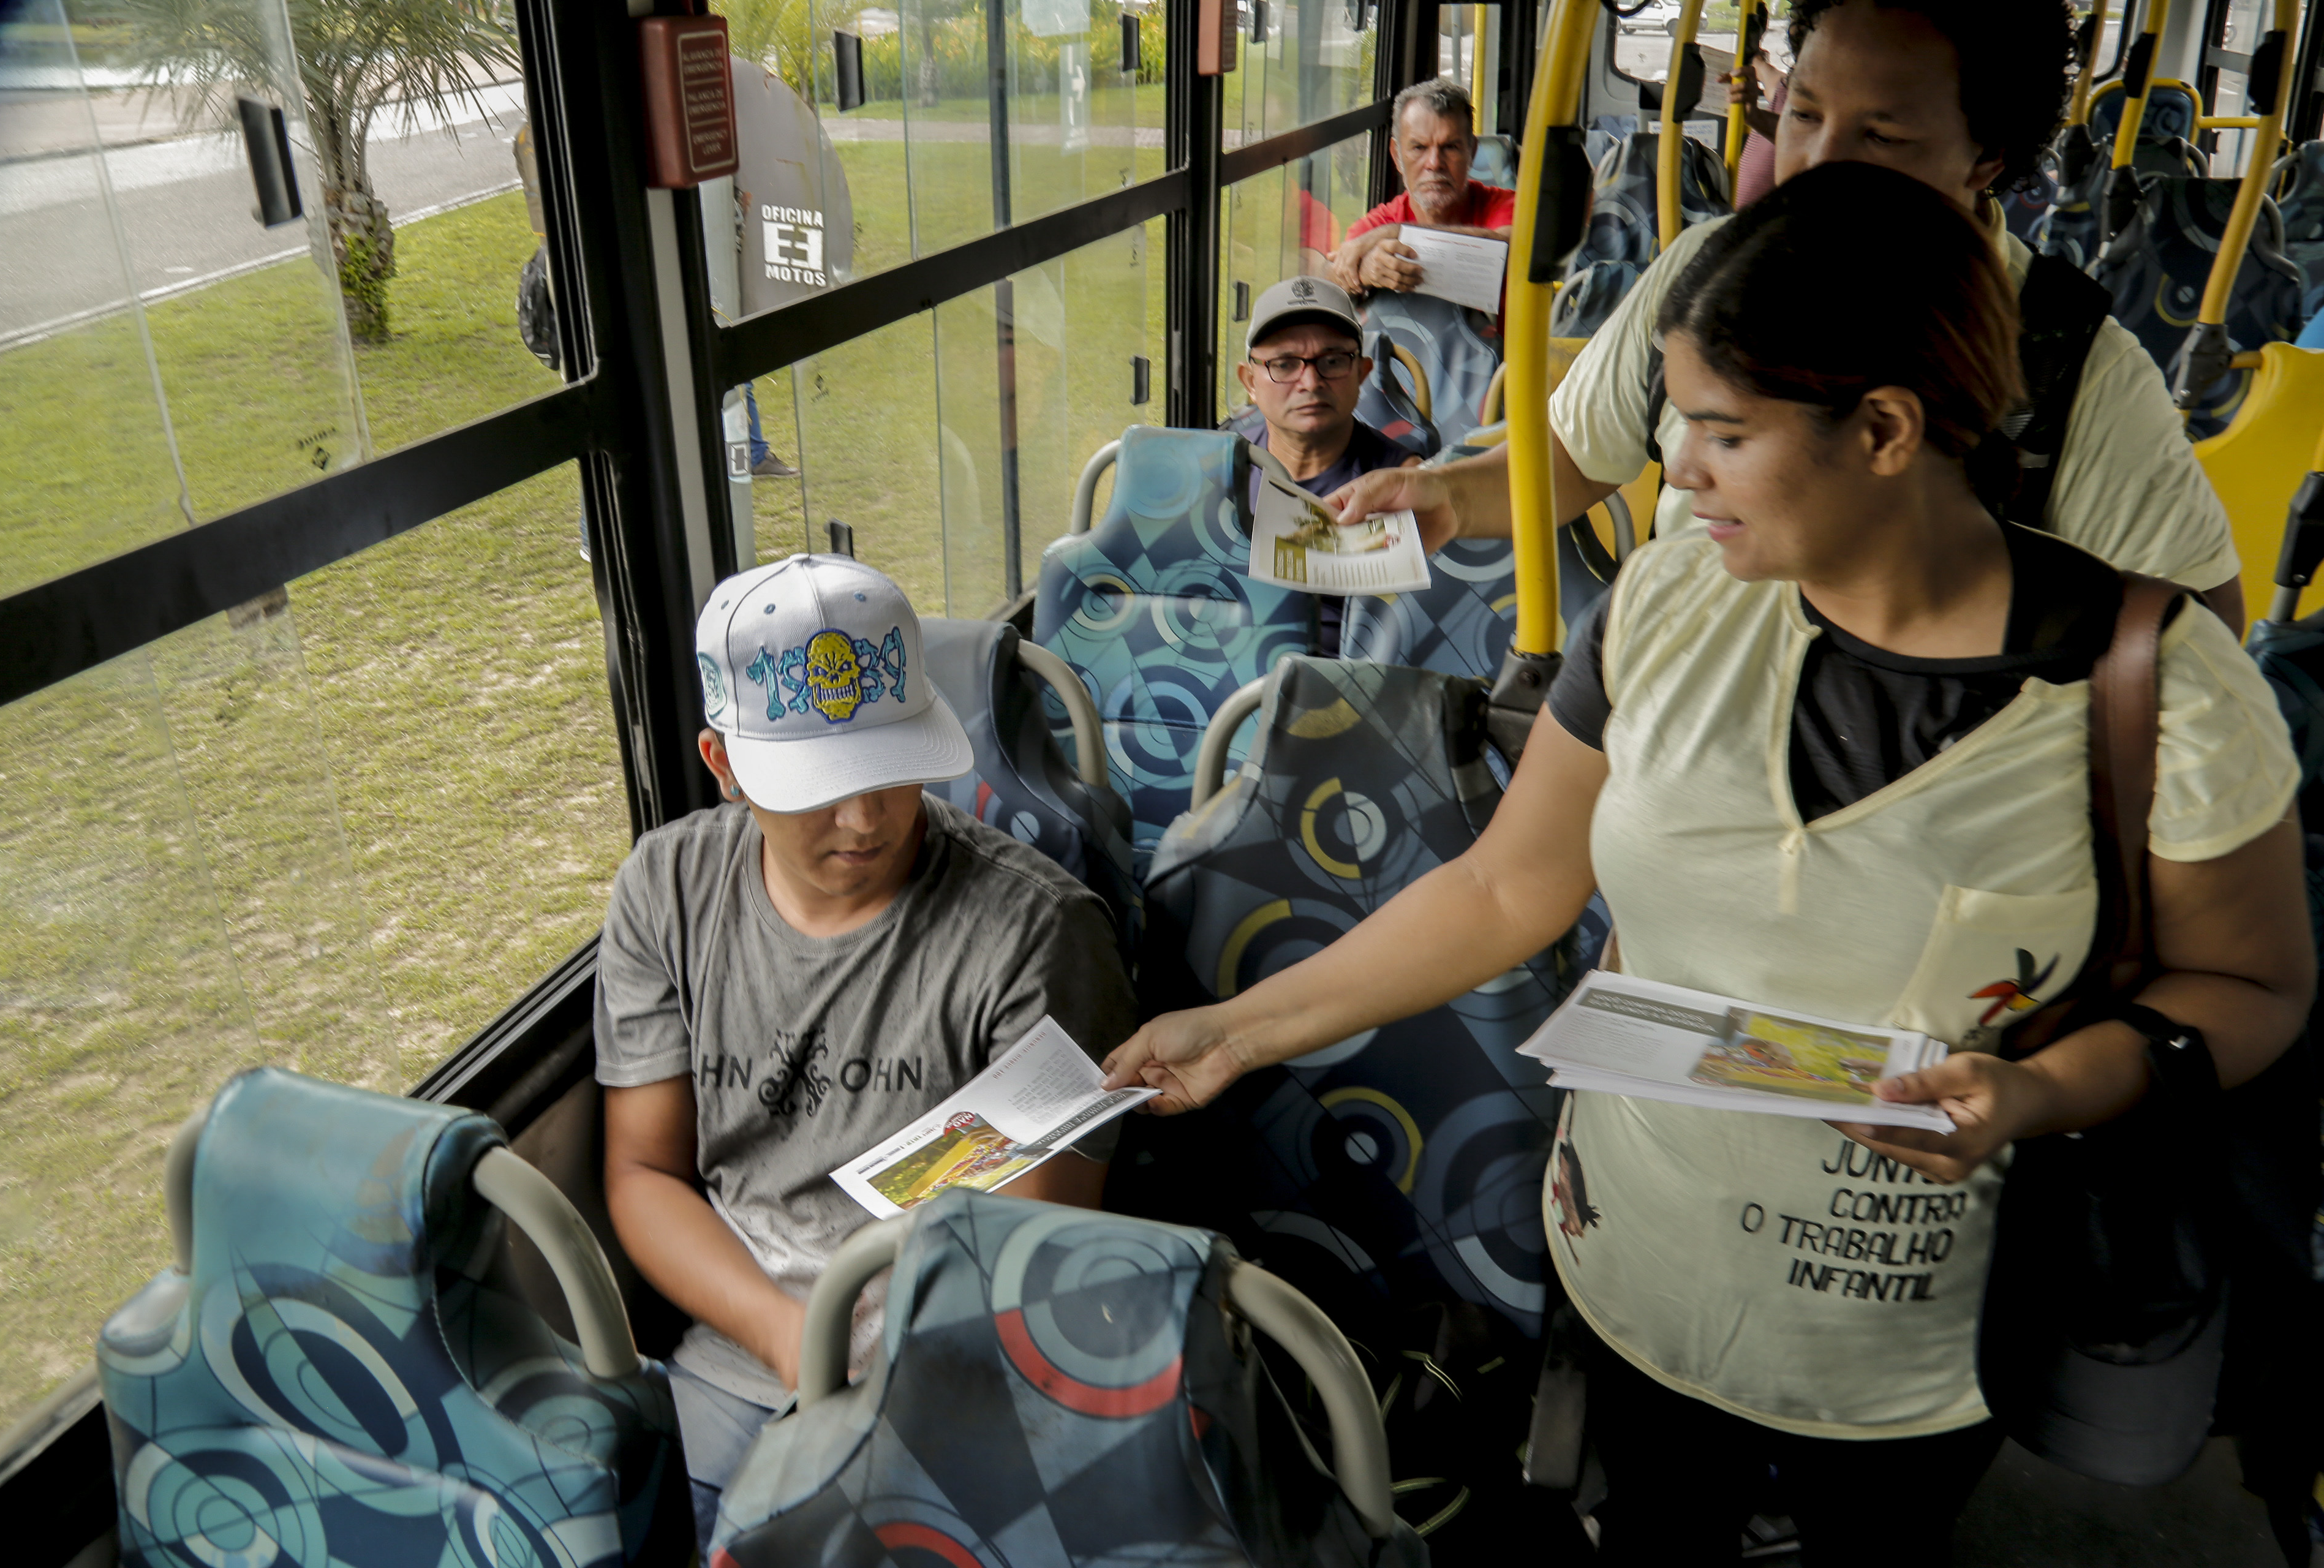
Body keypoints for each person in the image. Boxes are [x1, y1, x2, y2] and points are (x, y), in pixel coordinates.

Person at [1104, 164, 2312, 1564]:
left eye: (1722, 433)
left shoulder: (2156, 686)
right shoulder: (1674, 599)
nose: (1672, 470)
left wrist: (2042, 1085)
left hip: (1909, 1340)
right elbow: (1511, 885)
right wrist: (1232, 1027)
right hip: (1634, 1258)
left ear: (1880, 429)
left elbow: (2247, 982)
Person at [1338, 0, 2247, 633]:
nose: (1817, 163)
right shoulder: (1705, 270)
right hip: (1687, 732)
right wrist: (1446, 496)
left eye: (1882, 137)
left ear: (1988, 155)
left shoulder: (2067, 366)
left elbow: (2194, 627)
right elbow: (1575, 461)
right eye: (1803, 112)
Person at [594, 554, 1135, 1551]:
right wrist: (781, 1335)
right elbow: (641, 1170)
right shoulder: (665, 893)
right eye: (822, 785)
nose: (867, 819)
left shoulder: (1037, 933)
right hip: (740, 1345)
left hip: (953, 1366)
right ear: (723, 764)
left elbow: (1029, 1267)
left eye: (890, 769)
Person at [1229, 275, 1417, 654]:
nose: (1310, 382)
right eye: (1284, 365)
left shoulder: (1401, 484)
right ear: (1250, 382)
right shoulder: (1215, 470)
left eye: (1333, 361)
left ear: (1362, 373)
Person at [1328, 78, 1517, 298]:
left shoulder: (1506, 206)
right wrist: (1364, 271)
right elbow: (1329, 274)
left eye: (1450, 147)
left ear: (1472, 153)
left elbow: (1507, 247)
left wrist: (1399, 233)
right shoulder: (1379, 223)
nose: (1435, 163)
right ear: (1397, 156)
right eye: (1419, 148)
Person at [1728, 39, 1787, 207]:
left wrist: (1757, 118)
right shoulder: (1786, 88)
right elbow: (1768, 75)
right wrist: (1754, 60)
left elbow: (1809, 137)